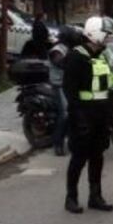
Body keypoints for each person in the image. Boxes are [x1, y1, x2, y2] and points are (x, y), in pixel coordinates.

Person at [62, 16, 113, 213]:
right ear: (96, 34)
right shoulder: (76, 57)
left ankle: (95, 196)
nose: (108, 39)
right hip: (83, 114)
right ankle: (71, 198)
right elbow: (69, 91)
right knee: (79, 158)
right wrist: (79, 117)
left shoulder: (101, 55)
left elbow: (110, 82)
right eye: (107, 34)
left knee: (97, 156)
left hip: (101, 115)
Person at [48, 26, 78, 157]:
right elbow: (61, 63)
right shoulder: (57, 50)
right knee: (65, 114)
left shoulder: (70, 48)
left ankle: (73, 142)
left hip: (70, 85)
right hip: (59, 85)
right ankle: (58, 144)